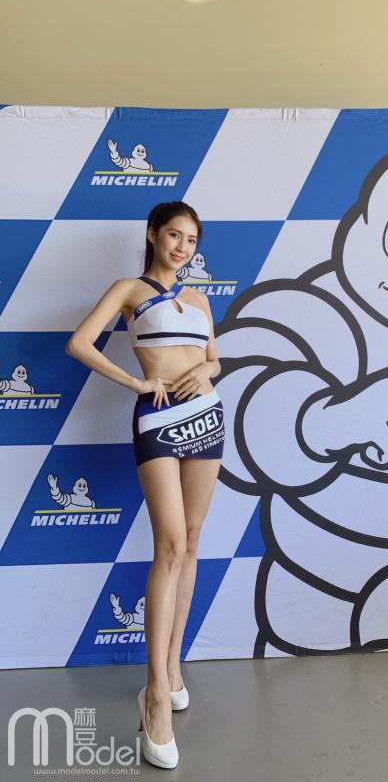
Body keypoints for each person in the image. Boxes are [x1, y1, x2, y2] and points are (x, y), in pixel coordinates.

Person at [66, 201, 225, 769]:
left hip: (207, 417)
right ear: (154, 235)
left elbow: (214, 360)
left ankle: (173, 667)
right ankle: (154, 693)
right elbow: (80, 343)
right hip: (157, 419)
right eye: (174, 235)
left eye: (192, 240)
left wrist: (206, 370)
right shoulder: (129, 289)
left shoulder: (201, 300)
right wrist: (136, 381)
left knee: (194, 540)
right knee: (171, 545)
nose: (182, 248)